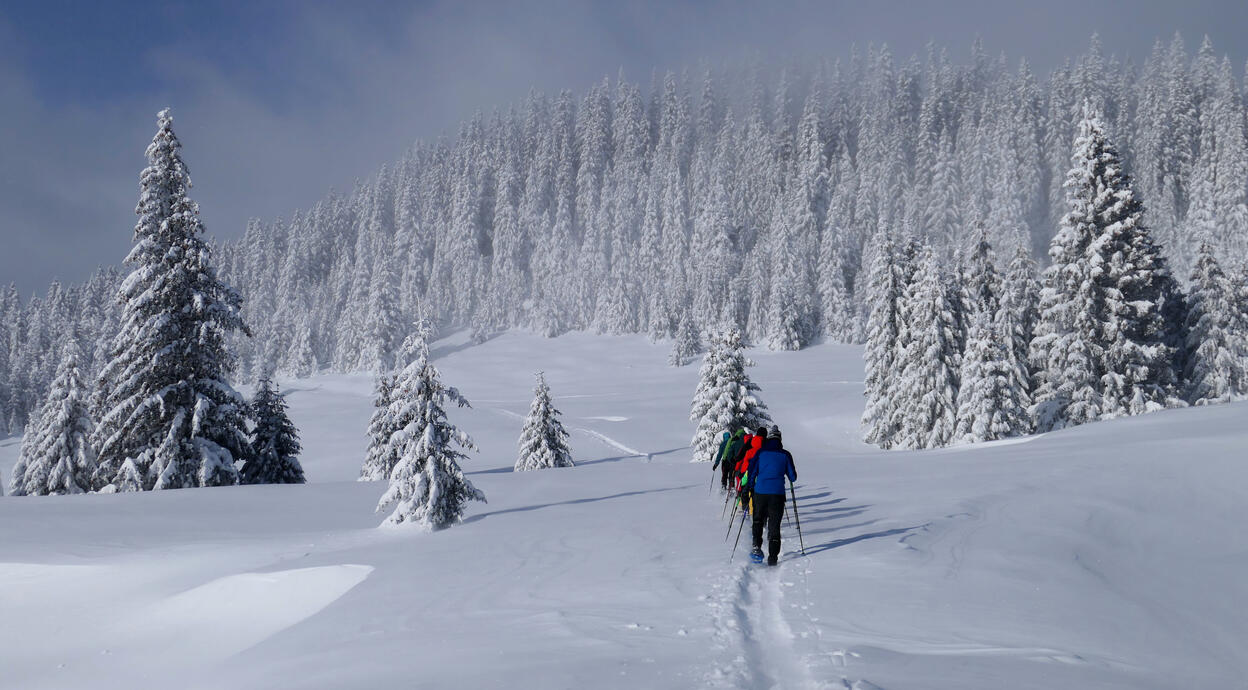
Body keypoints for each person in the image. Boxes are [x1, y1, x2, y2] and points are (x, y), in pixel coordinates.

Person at [744, 426, 796, 566]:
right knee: (774, 525)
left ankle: (756, 546)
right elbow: (793, 477)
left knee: (758, 520)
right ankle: (773, 557)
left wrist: (750, 486)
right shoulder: (785, 454)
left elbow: (752, 470)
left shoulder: (761, 452)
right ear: (779, 439)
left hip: (760, 492)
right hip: (777, 495)